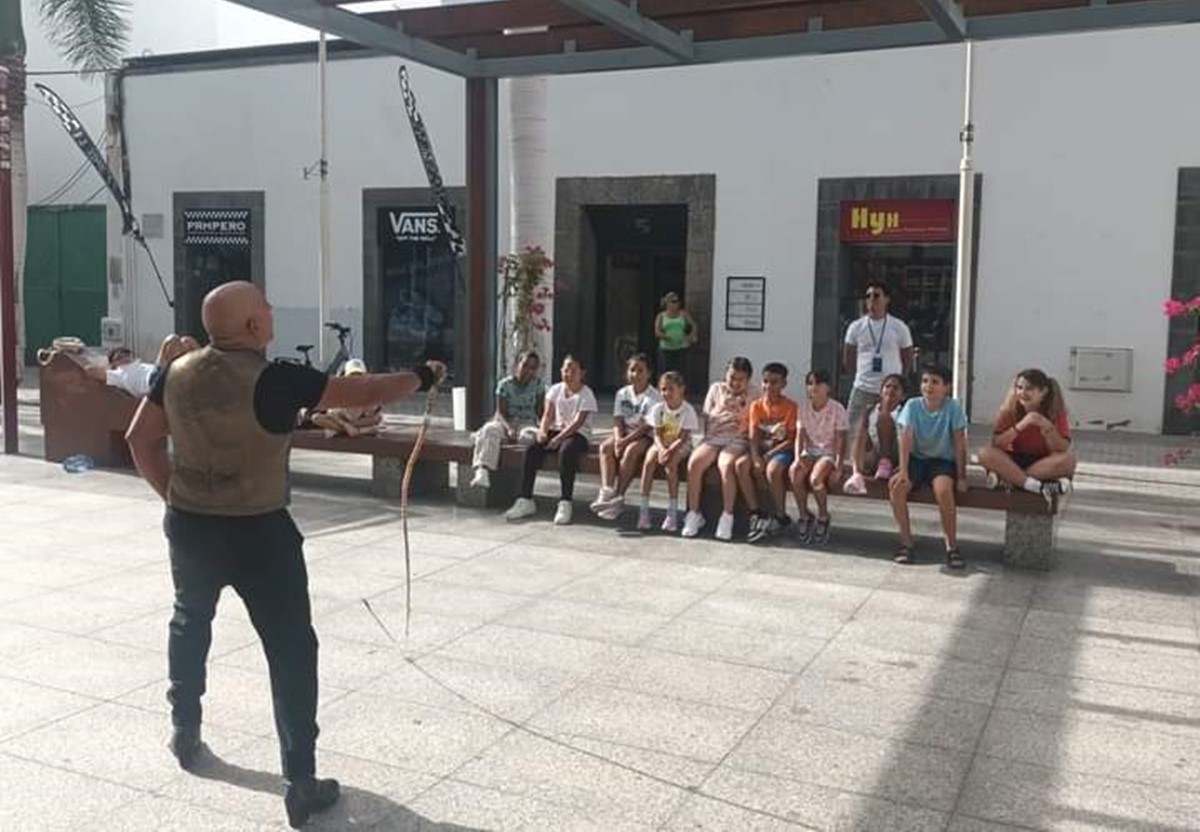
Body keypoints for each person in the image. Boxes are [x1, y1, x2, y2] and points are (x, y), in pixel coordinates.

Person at [123, 281, 444, 828]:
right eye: (266, 308)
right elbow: (364, 392)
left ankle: (185, 729)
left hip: (192, 525)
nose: (273, 313)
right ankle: (300, 780)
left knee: (189, 622)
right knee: (291, 650)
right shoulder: (273, 379)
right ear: (252, 326)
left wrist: (177, 497)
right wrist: (424, 374)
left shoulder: (172, 374)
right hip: (260, 532)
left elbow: (139, 439)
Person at [889, 362, 969, 569]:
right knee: (897, 486)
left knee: (943, 491)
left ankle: (951, 546)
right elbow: (905, 438)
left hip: (942, 461)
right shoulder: (913, 405)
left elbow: (960, 443)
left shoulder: (953, 407)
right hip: (916, 459)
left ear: (947, 387)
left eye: (935, 382)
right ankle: (906, 543)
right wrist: (904, 471)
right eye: (925, 381)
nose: (929, 386)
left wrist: (961, 476)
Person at [505, 354, 598, 525]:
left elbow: (578, 423)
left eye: (573, 370)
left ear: (582, 373)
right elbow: (548, 414)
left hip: (578, 435)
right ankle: (525, 499)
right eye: (565, 369)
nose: (568, 373)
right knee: (532, 449)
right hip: (556, 430)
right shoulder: (555, 389)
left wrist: (559, 439)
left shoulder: (587, 394)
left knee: (566, 451)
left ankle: (565, 502)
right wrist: (542, 431)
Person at [681, 357, 754, 541]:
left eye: (740, 379)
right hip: (714, 436)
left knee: (726, 464)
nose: (735, 383)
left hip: (737, 438)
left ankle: (727, 515)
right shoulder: (716, 389)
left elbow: (751, 421)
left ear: (748, 379)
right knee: (695, 462)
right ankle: (694, 513)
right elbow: (707, 415)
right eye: (732, 377)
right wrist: (718, 422)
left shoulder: (755, 393)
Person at [978, 368, 1075, 501]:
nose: (1022, 393)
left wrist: (1047, 428)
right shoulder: (1008, 411)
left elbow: (1062, 448)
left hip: (1042, 462)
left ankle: (1013, 479)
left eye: (1029, 389)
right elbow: (997, 444)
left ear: (1043, 392)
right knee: (984, 453)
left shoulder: (1056, 412)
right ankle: (1034, 485)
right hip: (1013, 460)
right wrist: (1021, 425)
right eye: (1019, 388)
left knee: (1068, 460)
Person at [843, 281, 914, 454]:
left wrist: (900, 380)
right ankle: (856, 467)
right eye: (868, 296)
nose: (871, 300)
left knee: (891, 428)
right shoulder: (856, 327)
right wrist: (858, 376)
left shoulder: (899, 327)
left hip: (890, 390)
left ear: (887, 299)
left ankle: (887, 461)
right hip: (863, 387)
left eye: (876, 295)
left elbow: (907, 355)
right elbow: (848, 356)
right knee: (855, 429)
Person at [591, 353, 661, 520]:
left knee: (631, 451)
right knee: (605, 447)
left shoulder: (654, 396)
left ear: (649, 373)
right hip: (625, 433)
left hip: (645, 436)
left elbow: (646, 426)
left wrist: (625, 441)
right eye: (632, 370)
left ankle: (619, 496)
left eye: (640, 371)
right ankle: (607, 490)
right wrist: (618, 439)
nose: (636, 374)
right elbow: (618, 419)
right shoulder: (622, 393)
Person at [736, 362, 798, 544]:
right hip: (761, 450)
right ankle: (756, 511)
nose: (769, 386)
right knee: (741, 465)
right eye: (765, 382)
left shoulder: (791, 407)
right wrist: (755, 457)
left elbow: (791, 440)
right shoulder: (756, 406)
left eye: (774, 382)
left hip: (781, 451)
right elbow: (753, 436)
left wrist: (769, 455)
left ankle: (780, 516)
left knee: (772, 470)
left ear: (784, 384)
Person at [469, 351, 545, 489]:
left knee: (529, 438)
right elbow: (500, 412)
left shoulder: (538, 385)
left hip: (527, 423)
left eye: (533, 368)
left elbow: (540, 411)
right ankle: (482, 471)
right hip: (506, 422)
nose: (528, 370)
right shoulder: (505, 384)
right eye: (525, 365)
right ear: (517, 364)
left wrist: (544, 428)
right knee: (490, 430)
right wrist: (509, 428)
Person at [790, 369, 849, 545]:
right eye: (809, 383)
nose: (813, 387)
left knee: (816, 479)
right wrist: (797, 458)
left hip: (828, 453)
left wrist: (838, 466)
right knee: (795, 474)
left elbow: (840, 440)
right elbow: (799, 436)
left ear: (827, 387)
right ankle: (803, 515)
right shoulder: (803, 407)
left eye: (818, 383)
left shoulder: (837, 408)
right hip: (810, 451)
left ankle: (823, 516)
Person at [637, 371, 699, 532]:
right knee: (649, 461)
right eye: (663, 389)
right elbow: (656, 434)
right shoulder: (658, 409)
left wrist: (669, 451)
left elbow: (684, 437)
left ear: (681, 389)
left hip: (680, 445)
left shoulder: (688, 410)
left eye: (671, 389)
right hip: (661, 444)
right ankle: (643, 509)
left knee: (671, 465)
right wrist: (661, 448)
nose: (666, 393)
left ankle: (671, 512)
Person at [843, 373, 906, 495]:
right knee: (860, 433)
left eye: (895, 388)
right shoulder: (871, 410)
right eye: (887, 386)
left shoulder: (904, 411)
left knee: (884, 417)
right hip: (874, 455)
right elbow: (862, 438)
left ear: (903, 396)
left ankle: (885, 463)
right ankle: (857, 474)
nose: (890, 390)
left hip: (896, 456)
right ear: (881, 391)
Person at [91, 334, 200, 397]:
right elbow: (91, 371)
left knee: (187, 341)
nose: (123, 356)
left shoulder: (140, 365)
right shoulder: (118, 374)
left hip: (158, 372)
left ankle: (205, 365)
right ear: (114, 363)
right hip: (153, 382)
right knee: (172, 339)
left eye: (125, 353)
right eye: (118, 356)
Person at [654, 291, 698, 378]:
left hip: (682, 348)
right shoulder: (661, 316)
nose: (676, 303)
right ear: (667, 303)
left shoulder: (683, 314)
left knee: (682, 373)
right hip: (666, 349)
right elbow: (657, 331)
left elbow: (693, 325)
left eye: (677, 301)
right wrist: (666, 337)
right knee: (665, 373)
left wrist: (691, 335)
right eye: (673, 301)